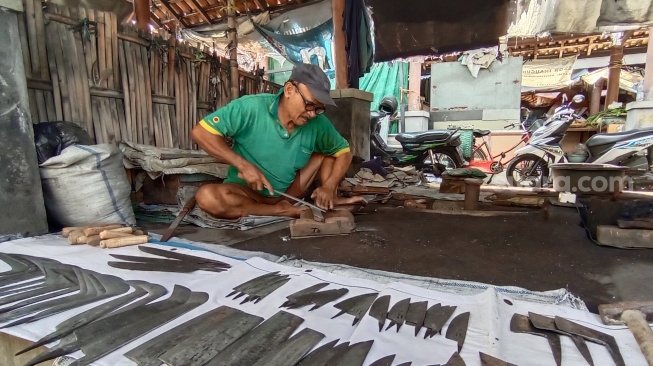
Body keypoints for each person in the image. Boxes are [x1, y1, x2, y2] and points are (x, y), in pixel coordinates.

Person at [191, 63, 365, 220]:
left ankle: (329, 201)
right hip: (246, 193)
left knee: (330, 153)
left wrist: (329, 186)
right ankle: (280, 211)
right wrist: (242, 165)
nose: (313, 114)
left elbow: (344, 152)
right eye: (309, 105)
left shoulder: (318, 124)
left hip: (289, 193)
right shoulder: (251, 108)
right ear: (289, 89)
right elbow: (201, 132)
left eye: (319, 109)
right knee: (207, 197)